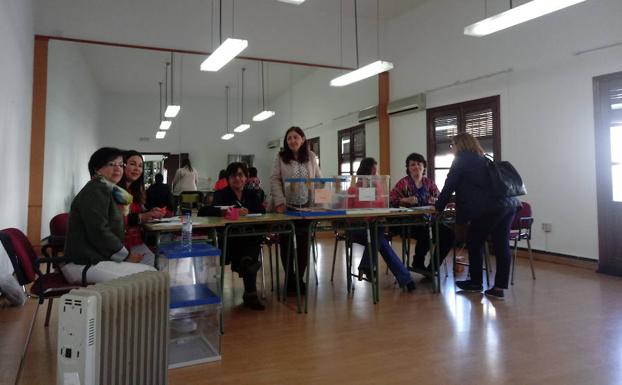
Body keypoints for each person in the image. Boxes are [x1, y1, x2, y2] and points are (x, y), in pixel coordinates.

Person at [435, 133, 520, 300]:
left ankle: (475, 283)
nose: (452, 149)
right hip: (509, 204)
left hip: (489, 209)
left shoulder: (461, 160)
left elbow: (449, 185)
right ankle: (498, 288)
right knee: (501, 245)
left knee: (474, 242)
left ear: (459, 144)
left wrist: (438, 207)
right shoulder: (484, 159)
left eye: (452, 145)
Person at [62, 147, 156, 284]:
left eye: (120, 165)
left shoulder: (106, 189)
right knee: (150, 276)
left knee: (149, 271)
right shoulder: (95, 190)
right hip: (85, 264)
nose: (117, 169)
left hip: (96, 259)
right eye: (111, 164)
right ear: (97, 169)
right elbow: (99, 231)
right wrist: (125, 256)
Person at [198, 162, 266, 310]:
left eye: (241, 175)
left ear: (246, 177)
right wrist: (229, 212)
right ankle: (250, 294)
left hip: (248, 239)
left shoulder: (251, 194)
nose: (237, 178)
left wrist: (248, 210)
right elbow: (204, 211)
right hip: (228, 241)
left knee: (251, 245)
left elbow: (262, 211)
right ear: (228, 179)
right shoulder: (221, 194)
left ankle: (247, 272)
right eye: (233, 175)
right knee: (249, 254)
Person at [347, 158, 415, 291]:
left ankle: (366, 266)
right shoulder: (353, 189)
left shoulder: (378, 187)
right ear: (366, 171)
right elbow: (348, 215)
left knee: (377, 234)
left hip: (374, 227)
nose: (376, 173)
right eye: (373, 170)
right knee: (379, 237)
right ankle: (405, 278)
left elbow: (383, 208)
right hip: (358, 228)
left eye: (376, 171)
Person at [270, 126, 321, 293]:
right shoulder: (280, 157)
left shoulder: (312, 157)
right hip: (286, 207)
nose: (292, 140)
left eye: (295, 137)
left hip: (307, 207)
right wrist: (279, 201)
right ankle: (290, 278)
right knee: (286, 243)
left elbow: (319, 179)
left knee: (303, 243)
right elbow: (275, 179)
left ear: (303, 139)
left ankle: (299, 279)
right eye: (289, 138)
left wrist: (324, 202)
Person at [389, 153, 454, 272]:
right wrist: (405, 200)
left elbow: (440, 199)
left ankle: (432, 268)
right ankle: (418, 261)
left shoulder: (429, 183)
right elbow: (391, 200)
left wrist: (436, 200)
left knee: (448, 234)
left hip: (428, 220)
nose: (416, 167)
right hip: (408, 223)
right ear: (408, 168)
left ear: (424, 167)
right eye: (412, 164)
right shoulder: (403, 183)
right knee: (426, 230)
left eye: (419, 164)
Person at [118, 150, 165, 265]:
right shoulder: (115, 191)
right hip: (121, 246)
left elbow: (137, 212)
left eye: (140, 166)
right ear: (123, 165)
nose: (137, 169)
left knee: (164, 263)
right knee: (159, 267)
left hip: (136, 241)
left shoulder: (136, 191)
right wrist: (141, 217)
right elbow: (116, 219)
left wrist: (150, 212)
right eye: (132, 164)